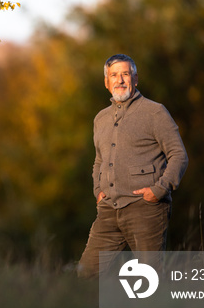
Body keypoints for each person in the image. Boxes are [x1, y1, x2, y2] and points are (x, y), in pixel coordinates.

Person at [77, 54, 188, 279]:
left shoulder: (155, 112)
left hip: (145, 209)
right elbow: (98, 160)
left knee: (148, 279)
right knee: (86, 274)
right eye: (114, 75)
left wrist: (158, 190)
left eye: (125, 74)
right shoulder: (100, 118)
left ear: (135, 79)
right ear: (106, 82)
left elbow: (179, 155)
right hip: (108, 209)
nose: (120, 80)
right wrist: (97, 191)